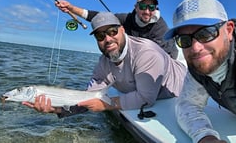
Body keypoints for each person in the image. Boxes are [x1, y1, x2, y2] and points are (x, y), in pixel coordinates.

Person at [23, 12, 186, 117]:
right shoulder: (103, 63)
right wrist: (57, 109)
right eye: (100, 36)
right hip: (145, 89)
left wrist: (106, 105)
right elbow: (86, 97)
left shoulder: (146, 53)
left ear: (122, 30)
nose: (107, 39)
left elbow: (146, 99)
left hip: (180, 87)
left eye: (112, 32)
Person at [164, 0, 236, 143]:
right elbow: (188, 104)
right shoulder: (198, 67)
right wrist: (205, 137)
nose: (195, 48)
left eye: (206, 34)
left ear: (228, 31)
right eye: (184, 39)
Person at [55, 0, 178, 59]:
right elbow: (99, 18)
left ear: (155, 9)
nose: (147, 11)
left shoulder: (160, 27)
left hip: (167, 55)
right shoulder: (127, 18)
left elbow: (160, 57)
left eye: (151, 7)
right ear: (136, 7)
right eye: (142, 6)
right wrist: (71, 8)